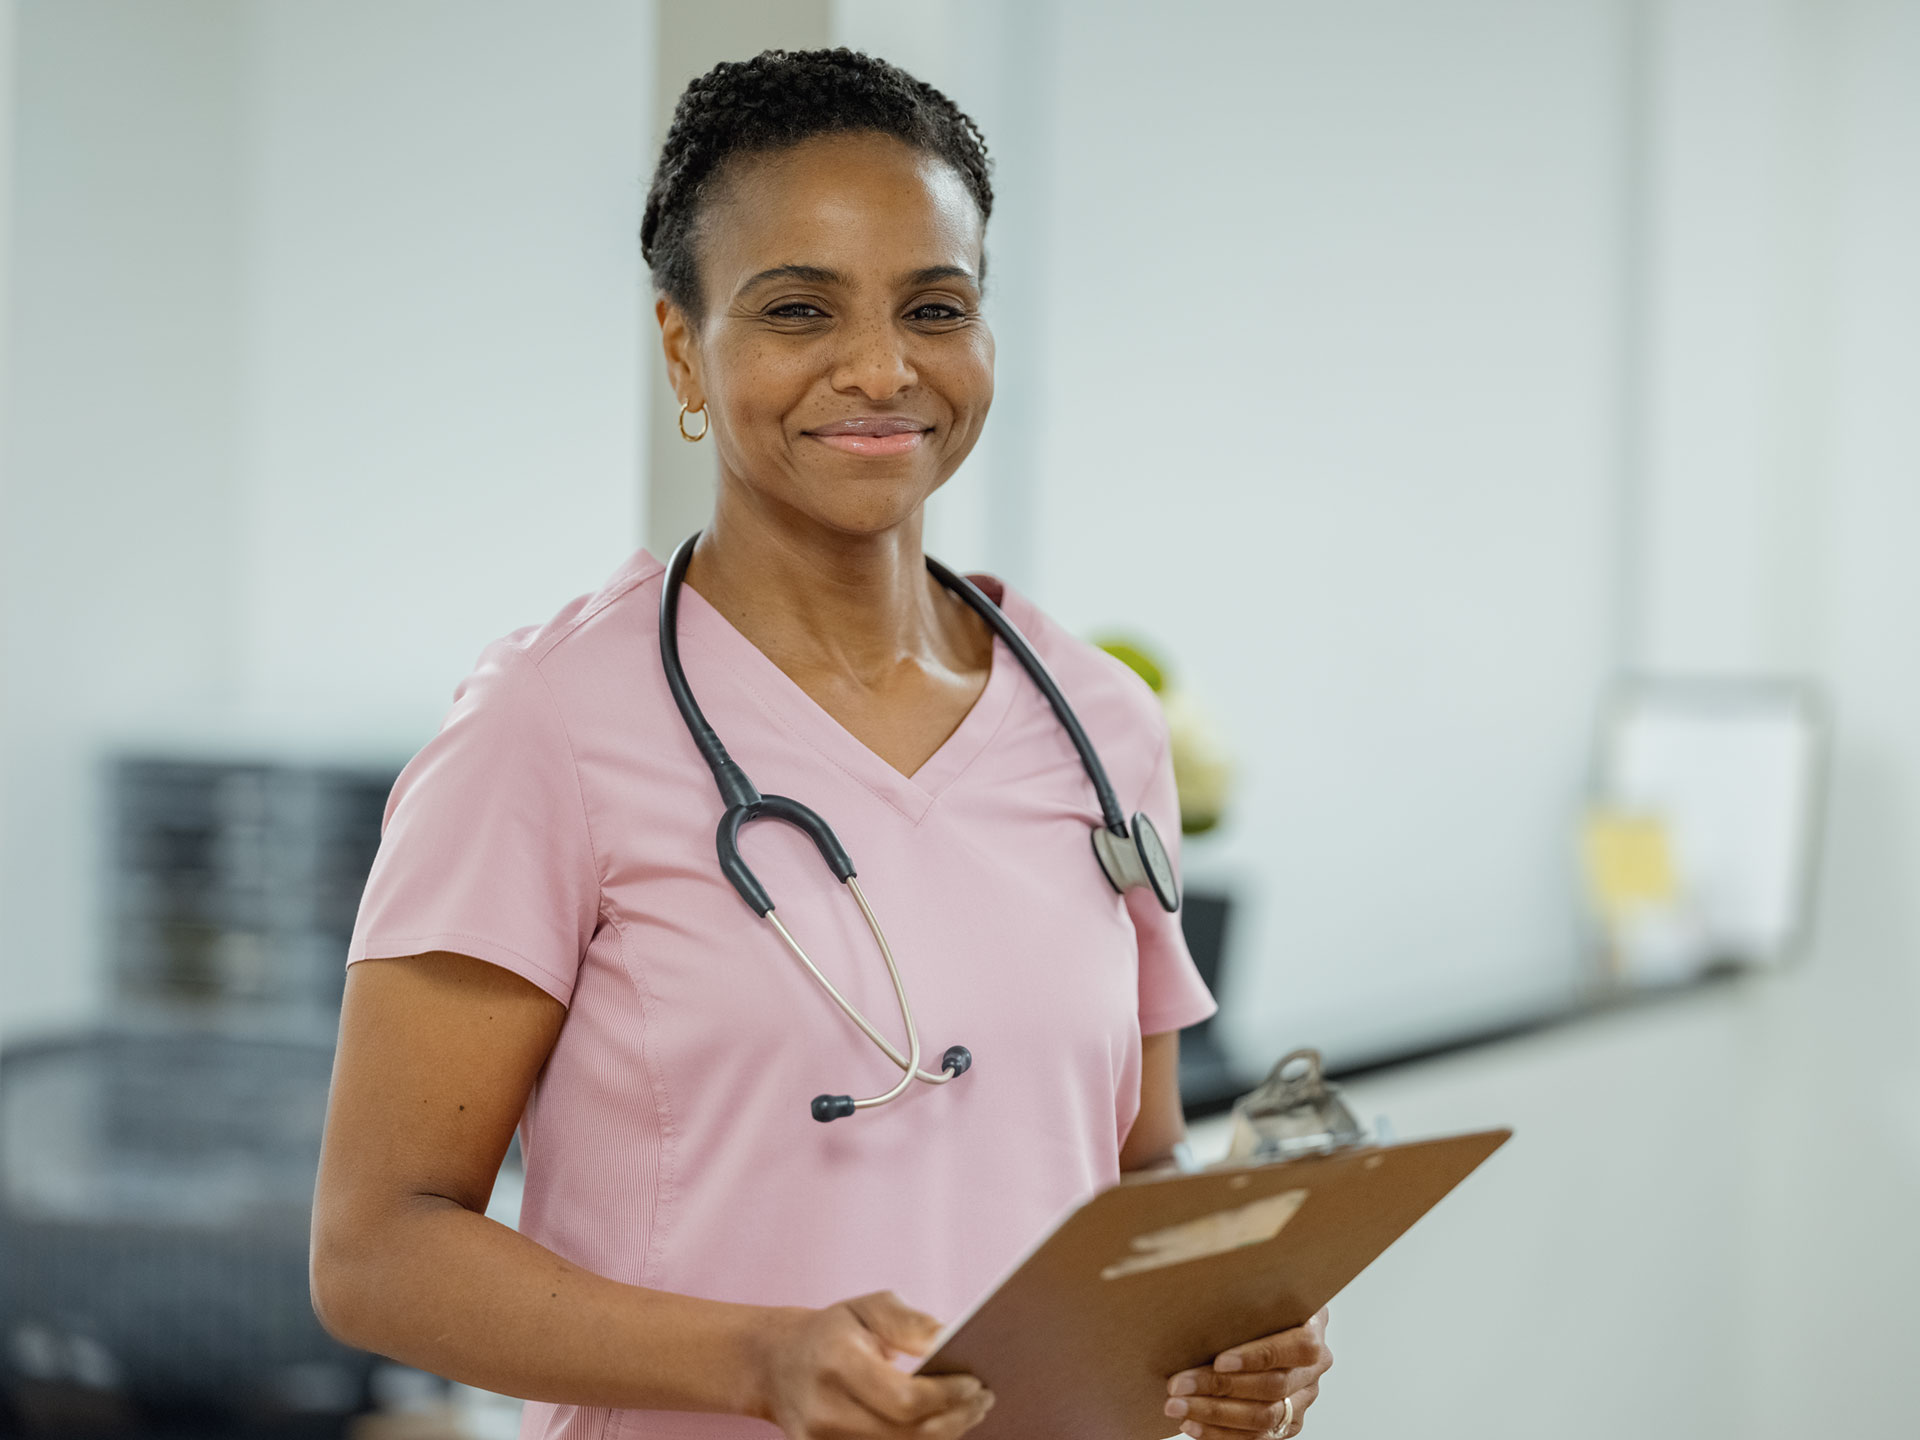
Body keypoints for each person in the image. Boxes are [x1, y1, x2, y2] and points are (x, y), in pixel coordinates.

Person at [310, 49, 1334, 1440]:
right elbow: (378, 1251)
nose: (880, 368)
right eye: (799, 309)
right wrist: (758, 1360)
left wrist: (1228, 1319)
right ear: (684, 343)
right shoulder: (545, 728)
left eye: (936, 307)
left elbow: (1135, 1165)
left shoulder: (1098, 722)